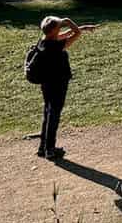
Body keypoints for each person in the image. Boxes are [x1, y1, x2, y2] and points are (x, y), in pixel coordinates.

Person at [36, 15, 97, 160]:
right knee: (54, 115)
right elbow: (76, 33)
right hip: (58, 82)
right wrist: (68, 20)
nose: (62, 27)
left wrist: (82, 27)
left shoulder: (43, 41)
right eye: (59, 26)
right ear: (53, 31)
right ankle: (50, 149)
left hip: (46, 82)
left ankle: (43, 147)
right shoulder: (57, 46)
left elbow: (65, 34)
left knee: (48, 113)